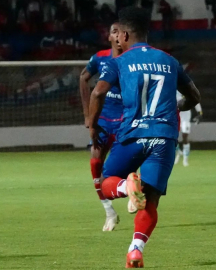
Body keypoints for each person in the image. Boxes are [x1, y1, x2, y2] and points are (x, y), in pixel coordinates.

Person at [88, 7, 200, 268]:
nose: (115, 39)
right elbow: (194, 96)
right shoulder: (170, 61)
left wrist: (93, 126)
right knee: (151, 200)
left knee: (106, 182)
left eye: (117, 35)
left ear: (125, 35)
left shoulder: (119, 62)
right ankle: (135, 250)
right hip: (164, 136)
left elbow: (96, 93)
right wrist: (178, 106)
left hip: (133, 134)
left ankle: (127, 187)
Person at [80, 22, 123, 232]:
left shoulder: (133, 59)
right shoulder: (100, 58)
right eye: (113, 31)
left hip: (127, 122)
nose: (116, 35)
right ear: (109, 37)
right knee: (95, 165)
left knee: (121, 170)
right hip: (104, 122)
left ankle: (133, 193)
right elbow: (83, 77)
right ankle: (109, 212)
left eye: (120, 32)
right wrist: (88, 116)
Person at [174, 91, 203, 167]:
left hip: (185, 118)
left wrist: (200, 112)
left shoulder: (185, 88)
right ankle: (178, 152)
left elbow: (195, 99)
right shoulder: (172, 88)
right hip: (175, 116)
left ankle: (185, 158)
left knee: (185, 136)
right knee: (173, 137)